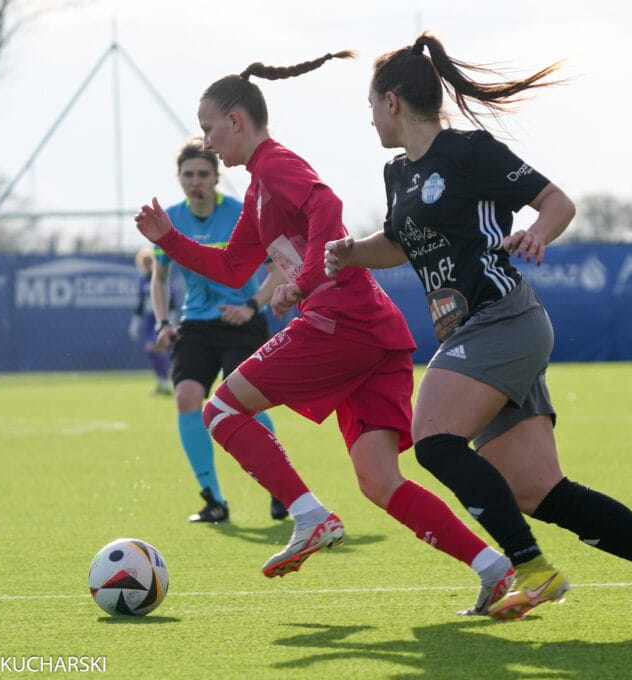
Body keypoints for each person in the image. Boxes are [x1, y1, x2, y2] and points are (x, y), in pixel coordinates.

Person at [324, 32, 632, 630]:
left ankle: (529, 568)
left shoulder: (470, 152)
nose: (370, 117)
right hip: (476, 333)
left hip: (502, 318)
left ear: (392, 103)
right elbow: (399, 244)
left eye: (371, 104)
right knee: (539, 491)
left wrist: (539, 232)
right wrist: (354, 252)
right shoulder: (397, 174)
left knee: (431, 438)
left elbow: (557, 201)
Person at [134, 51, 516, 616]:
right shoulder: (261, 188)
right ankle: (494, 568)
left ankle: (309, 516)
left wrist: (306, 280)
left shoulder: (273, 165)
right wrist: (169, 239)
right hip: (373, 332)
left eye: (209, 128)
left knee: (220, 412)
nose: (208, 142)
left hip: (340, 321)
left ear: (237, 121)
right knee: (379, 481)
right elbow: (234, 268)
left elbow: (326, 204)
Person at [150, 139, 288, 524]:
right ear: (179, 178)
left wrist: (252, 305)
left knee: (244, 402)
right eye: (189, 174)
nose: (196, 181)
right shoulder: (169, 219)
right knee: (186, 397)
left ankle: (281, 489)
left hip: (243, 323)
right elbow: (159, 279)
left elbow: (280, 265)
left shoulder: (243, 213)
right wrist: (163, 321)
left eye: (204, 174)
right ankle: (213, 498)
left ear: (216, 177)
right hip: (195, 324)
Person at [128, 247, 172, 395]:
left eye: (149, 260)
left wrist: (170, 319)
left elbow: (171, 300)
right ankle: (162, 381)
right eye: (144, 261)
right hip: (148, 318)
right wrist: (135, 322)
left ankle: (165, 380)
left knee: (155, 348)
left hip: (159, 317)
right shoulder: (141, 280)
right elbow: (140, 303)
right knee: (152, 350)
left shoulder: (159, 275)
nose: (147, 263)